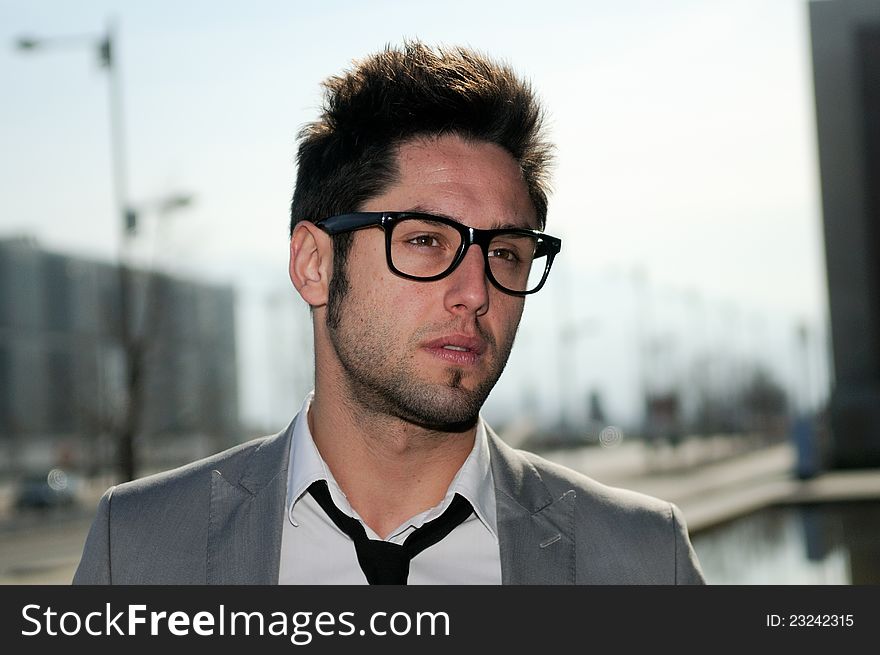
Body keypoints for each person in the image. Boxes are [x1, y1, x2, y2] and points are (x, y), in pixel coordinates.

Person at [74, 41, 705, 585]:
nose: (475, 291)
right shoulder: (136, 549)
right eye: (426, 240)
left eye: (507, 254)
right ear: (314, 265)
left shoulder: (645, 559)